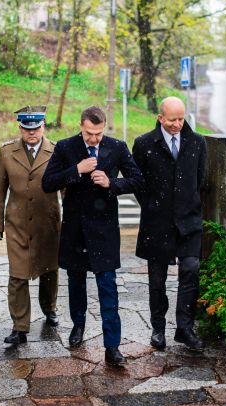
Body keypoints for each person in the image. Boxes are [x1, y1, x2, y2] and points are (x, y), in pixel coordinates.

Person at [42, 106, 143, 366]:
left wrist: (112, 183)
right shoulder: (65, 147)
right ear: (81, 126)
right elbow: (48, 183)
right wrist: (77, 169)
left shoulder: (117, 147)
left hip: (105, 231)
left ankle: (112, 346)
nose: (94, 139)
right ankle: (78, 326)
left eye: (98, 133)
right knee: (76, 284)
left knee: (108, 287)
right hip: (75, 230)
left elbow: (137, 180)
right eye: (89, 133)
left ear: (104, 127)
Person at [132, 96, 207, 352]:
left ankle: (185, 328)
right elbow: (138, 183)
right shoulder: (143, 144)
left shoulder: (197, 142)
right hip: (157, 222)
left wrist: (185, 205)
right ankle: (158, 328)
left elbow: (199, 179)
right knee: (157, 279)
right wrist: (156, 207)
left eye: (181, 118)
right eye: (172, 119)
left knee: (191, 270)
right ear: (160, 117)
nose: (177, 124)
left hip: (189, 222)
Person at [0, 105, 61, 345]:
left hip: (48, 223)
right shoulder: (7, 152)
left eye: (36, 128)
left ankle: (49, 308)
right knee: (18, 275)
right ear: (20, 127)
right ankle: (20, 327)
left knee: (49, 270)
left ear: (44, 126)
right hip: (17, 222)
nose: (32, 133)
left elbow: (66, 188)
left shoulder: (57, 151)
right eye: (26, 128)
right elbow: (0, 189)